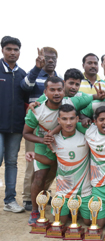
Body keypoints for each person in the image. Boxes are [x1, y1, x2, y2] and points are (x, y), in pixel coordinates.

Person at [23, 76, 105, 225]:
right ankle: (36, 210)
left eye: (59, 89)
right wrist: (44, 140)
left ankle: (76, 205)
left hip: (64, 140)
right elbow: (26, 133)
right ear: (45, 91)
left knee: (68, 169)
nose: (56, 93)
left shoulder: (72, 101)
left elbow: (95, 98)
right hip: (44, 143)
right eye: (52, 90)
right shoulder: (37, 108)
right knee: (40, 176)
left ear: (64, 90)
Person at [25, 104, 92, 226]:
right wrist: (34, 155)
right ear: (58, 120)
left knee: (88, 222)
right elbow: (50, 161)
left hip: (84, 191)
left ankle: (79, 210)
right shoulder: (54, 139)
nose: (68, 122)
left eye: (72, 118)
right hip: (63, 192)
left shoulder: (85, 135)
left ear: (77, 119)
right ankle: (70, 209)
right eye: (64, 119)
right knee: (60, 221)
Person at [21, 47, 61, 211]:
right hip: (37, 126)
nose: (50, 61)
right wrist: (37, 68)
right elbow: (24, 88)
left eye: (53, 58)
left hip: (55, 132)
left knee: (51, 168)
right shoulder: (35, 75)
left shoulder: (58, 80)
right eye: (47, 58)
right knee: (34, 167)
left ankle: (43, 194)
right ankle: (28, 199)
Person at [0, 35, 27, 213]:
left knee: (12, 162)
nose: (12, 52)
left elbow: (26, 99)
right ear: (2, 50)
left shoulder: (22, 74)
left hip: (16, 127)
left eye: (15, 49)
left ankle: (10, 200)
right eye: (9, 49)